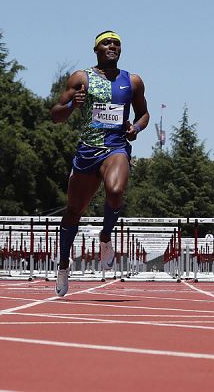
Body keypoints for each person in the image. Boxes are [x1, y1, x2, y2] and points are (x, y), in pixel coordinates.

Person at [50, 30, 149, 297]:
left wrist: (136, 128)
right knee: (74, 210)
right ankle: (63, 264)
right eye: (106, 43)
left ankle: (105, 237)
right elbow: (55, 115)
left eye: (116, 43)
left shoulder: (133, 81)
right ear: (96, 49)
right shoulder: (81, 78)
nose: (112, 46)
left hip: (116, 147)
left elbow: (143, 114)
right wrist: (72, 106)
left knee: (115, 191)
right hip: (88, 151)